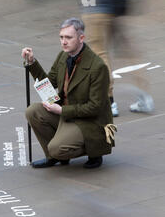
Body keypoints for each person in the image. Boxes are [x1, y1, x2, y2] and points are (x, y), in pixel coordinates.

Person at [22, 18, 115, 169]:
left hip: (88, 122)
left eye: (68, 37)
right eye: (61, 37)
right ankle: (53, 157)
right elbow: (49, 85)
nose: (64, 42)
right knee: (33, 111)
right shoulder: (63, 56)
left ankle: (95, 150)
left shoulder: (98, 67)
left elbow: (95, 107)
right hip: (67, 114)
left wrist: (62, 110)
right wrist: (32, 63)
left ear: (81, 38)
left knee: (57, 148)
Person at [79, 0, 154, 116]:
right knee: (127, 49)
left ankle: (109, 101)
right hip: (113, 8)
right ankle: (144, 96)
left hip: (94, 9)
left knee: (100, 53)